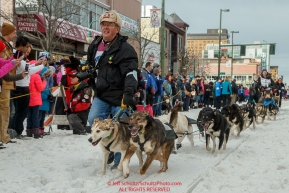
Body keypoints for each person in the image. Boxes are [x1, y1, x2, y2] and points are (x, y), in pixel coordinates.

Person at [77, 10, 138, 170]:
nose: (105, 28)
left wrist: (129, 93)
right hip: (102, 94)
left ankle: (120, 158)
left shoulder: (126, 49)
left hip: (120, 95)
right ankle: (109, 149)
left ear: (117, 28)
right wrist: (86, 73)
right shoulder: (95, 45)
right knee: (93, 120)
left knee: (121, 127)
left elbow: (131, 73)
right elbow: (91, 66)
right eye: (103, 24)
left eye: (109, 25)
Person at [0, 23, 28, 144]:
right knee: (4, 110)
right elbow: (3, 66)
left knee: (6, 110)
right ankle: (2, 137)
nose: (15, 35)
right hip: (4, 82)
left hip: (7, 80)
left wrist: (14, 61)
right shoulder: (2, 46)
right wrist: (13, 62)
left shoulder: (7, 46)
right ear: (7, 33)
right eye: (14, 32)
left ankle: (4, 136)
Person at [11, 37, 44, 139]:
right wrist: (42, 66)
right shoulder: (17, 55)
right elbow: (27, 71)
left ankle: (15, 131)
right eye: (27, 46)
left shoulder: (20, 56)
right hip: (20, 86)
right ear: (21, 46)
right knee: (20, 112)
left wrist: (37, 64)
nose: (28, 49)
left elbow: (27, 68)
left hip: (18, 85)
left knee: (18, 112)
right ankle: (16, 131)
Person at [27, 63, 47, 138]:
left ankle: (29, 131)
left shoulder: (28, 75)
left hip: (29, 99)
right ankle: (36, 132)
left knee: (29, 116)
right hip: (36, 99)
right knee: (35, 116)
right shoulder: (36, 76)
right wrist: (44, 82)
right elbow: (40, 88)